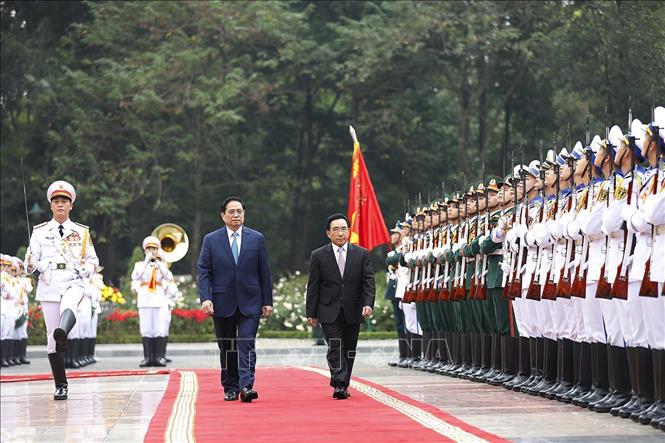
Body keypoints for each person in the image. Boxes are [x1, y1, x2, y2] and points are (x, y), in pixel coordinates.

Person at [25, 180, 99, 400]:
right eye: (56, 201)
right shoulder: (39, 232)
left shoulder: (81, 232)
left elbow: (93, 260)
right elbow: (31, 261)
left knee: (70, 304)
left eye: (64, 201)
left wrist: (87, 268)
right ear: (50, 205)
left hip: (73, 281)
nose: (60, 205)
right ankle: (60, 384)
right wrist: (29, 264)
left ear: (71, 206)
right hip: (49, 282)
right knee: (51, 338)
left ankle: (63, 332)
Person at [198, 197, 273, 403]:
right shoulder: (211, 240)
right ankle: (230, 386)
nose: (236, 215)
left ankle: (246, 386)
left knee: (246, 343)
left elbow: (264, 271)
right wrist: (206, 298)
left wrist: (268, 300)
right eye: (231, 212)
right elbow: (204, 271)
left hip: (251, 301)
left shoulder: (256, 238)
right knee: (227, 346)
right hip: (222, 302)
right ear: (223, 215)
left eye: (239, 211)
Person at [306, 213, 375, 400]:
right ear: (328, 233)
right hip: (328, 310)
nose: (340, 233)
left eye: (344, 228)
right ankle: (340, 384)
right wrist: (311, 312)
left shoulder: (361, 254)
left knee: (349, 348)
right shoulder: (319, 255)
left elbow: (368, 281)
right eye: (335, 229)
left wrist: (368, 303)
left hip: (353, 309)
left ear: (348, 231)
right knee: (335, 346)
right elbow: (313, 285)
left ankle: (342, 381)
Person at [132, 237, 172, 367]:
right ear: (145, 250)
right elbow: (135, 276)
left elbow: (168, 276)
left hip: (159, 299)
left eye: (154, 248)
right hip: (145, 299)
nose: (151, 251)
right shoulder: (139, 265)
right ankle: (147, 358)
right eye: (149, 248)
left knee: (159, 329)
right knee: (146, 329)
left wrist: (158, 263)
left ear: (158, 250)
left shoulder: (162, 265)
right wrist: (146, 262)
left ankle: (159, 357)